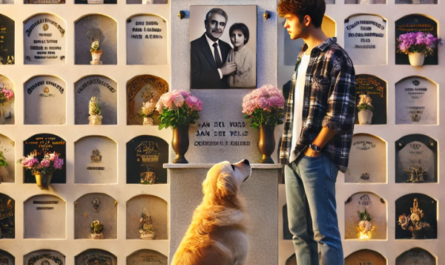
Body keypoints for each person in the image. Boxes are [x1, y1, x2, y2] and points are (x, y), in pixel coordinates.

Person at [277, 0, 356, 264]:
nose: (285, 24)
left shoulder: (337, 57)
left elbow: (340, 113)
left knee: (325, 233)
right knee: (299, 233)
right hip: (292, 155)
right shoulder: (303, 55)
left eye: (289, 18)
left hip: (316, 156)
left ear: (306, 19)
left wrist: (315, 148)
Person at [190, 8, 236, 89]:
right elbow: (193, 77)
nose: (218, 27)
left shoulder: (227, 47)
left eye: (222, 24)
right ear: (205, 23)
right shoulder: (193, 47)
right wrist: (221, 72)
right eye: (213, 22)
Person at [227, 23, 256, 88]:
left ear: (245, 37)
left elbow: (252, 78)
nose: (235, 38)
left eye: (239, 35)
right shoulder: (230, 53)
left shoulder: (250, 55)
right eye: (233, 35)